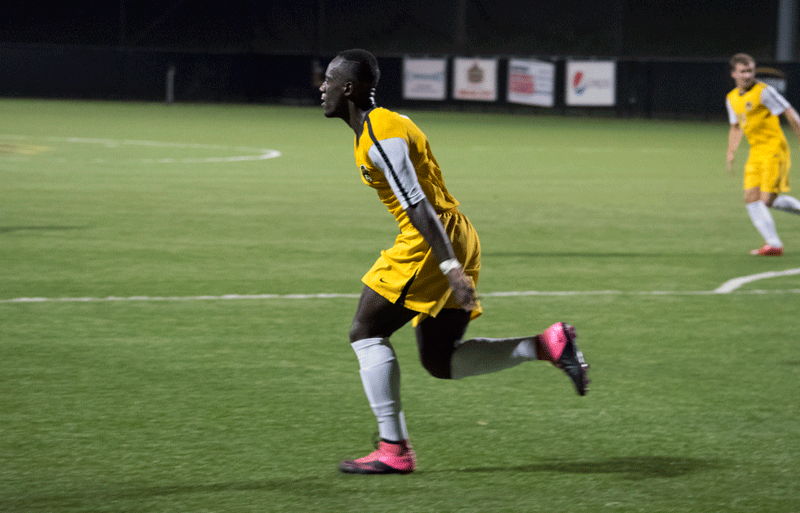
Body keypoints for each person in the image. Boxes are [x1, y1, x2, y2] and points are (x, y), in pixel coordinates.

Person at [320, 49, 590, 475]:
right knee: (440, 360)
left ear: (349, 88)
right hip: (453, 234)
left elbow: (417, 203)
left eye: (329, 81)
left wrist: (450, 267)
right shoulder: (387, 123)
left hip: (431, 241)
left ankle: (393, 449)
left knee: (366, 330)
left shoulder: (379, 136)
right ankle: (548, 344)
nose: (322, 88)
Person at [726, 53, 800, 256]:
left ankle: (774, 243)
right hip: (756, 152)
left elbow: (789, 111)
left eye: (750, 70)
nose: (748, 75)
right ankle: (773, 244)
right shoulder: (731, 98)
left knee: (766, 201)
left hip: (774, 149)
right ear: (734, 74)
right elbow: (735, 126)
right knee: (751, 198)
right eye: (743, 71)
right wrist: (731, 150)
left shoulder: (764, 92)